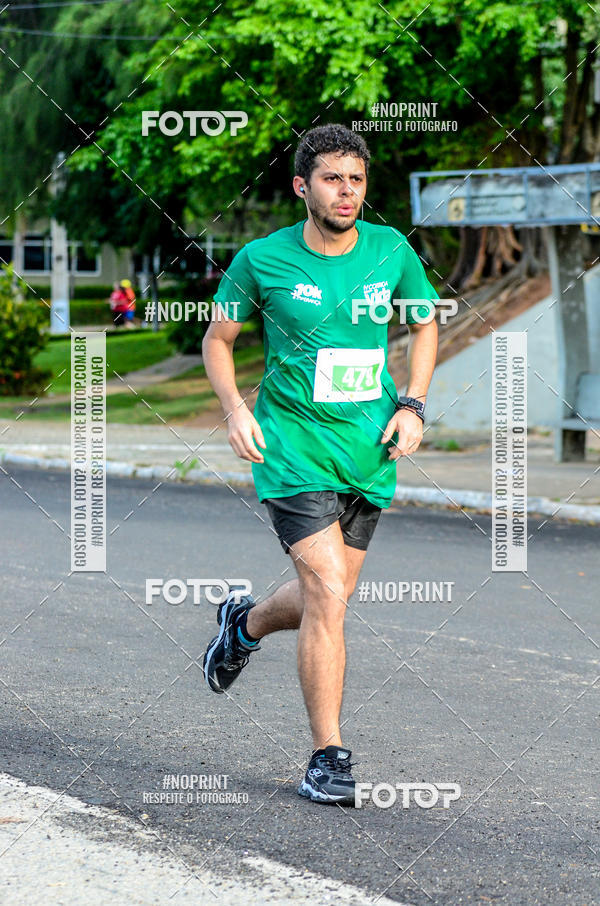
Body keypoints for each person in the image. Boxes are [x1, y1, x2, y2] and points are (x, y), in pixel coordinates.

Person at [202, 124, 439, 805]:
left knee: (323, 599)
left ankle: (241, 625)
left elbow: (425, 323)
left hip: (368, 449)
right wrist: (234, 409)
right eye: (333, 179)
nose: (347, 192)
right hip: (293, 449)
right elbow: (219, 338)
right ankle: (326, 758)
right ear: (303, 186)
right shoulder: (262, 260)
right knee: (329, 594)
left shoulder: (392, 251)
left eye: (357, 180)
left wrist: (414, 405)